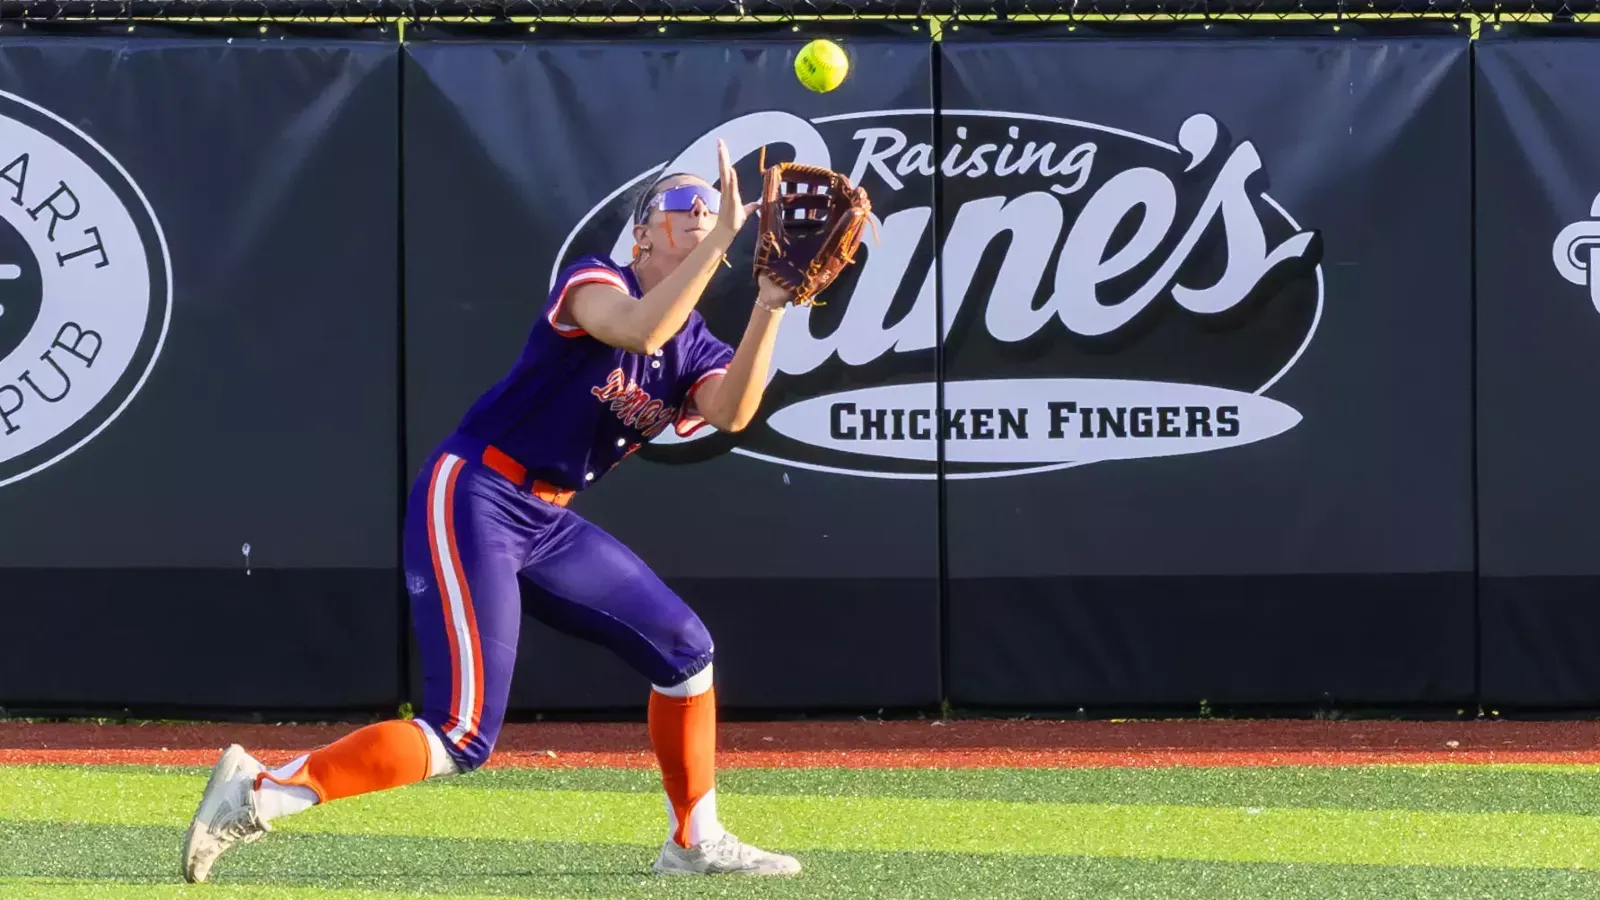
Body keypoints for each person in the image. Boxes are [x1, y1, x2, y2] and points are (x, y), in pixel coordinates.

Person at [183, 139, 807, 882]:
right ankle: (260, 791)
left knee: (686, 652)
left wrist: (770, 306)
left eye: (711, 207)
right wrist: (723, 239)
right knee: (462, 731)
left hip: (545, 519)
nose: (703, 213)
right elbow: (641, 329)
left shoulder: (695, 344)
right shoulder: (595, 279)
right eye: (684, 203)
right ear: (641, 233)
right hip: (476, 492)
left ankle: (694, 840)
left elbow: (731, 411)